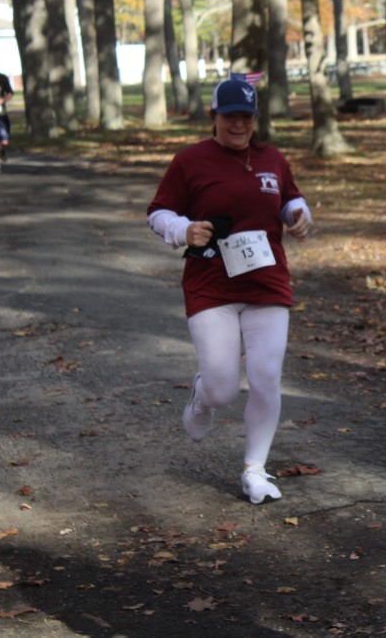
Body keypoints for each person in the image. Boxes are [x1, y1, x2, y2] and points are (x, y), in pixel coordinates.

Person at [146, 77, 314, 504]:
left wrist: (298, 213)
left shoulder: (272, 159)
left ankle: (254, 470)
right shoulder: (190, 161)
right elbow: (158, 212)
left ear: (255, 119)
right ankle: (203, 396)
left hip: (266, 283)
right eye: (230, 117)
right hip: (211, 286)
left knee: (266, 378)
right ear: (214, 117)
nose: (239, 125)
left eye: (246, 117)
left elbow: (290, 199)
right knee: (223, 388)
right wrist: (183, 229)